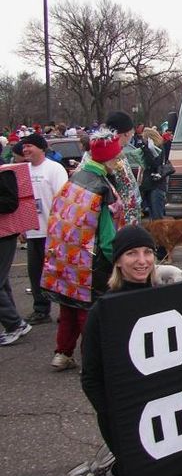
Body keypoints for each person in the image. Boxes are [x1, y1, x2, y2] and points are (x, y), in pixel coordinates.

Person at [54, 225, 182, 476]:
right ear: (118, 261)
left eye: (147, 252)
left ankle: (122, 466)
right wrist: (118, 422)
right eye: (131, 253)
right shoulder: (103, 311)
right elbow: (91, 377)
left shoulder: (166, 301)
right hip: (126, 419)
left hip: (166, 412)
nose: (142, 260)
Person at [41, 129, 127, 369]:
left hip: (65, 255)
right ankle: (93, 360)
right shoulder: (102, 188)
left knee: (68, 307)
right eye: (117, 158)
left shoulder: (75, 179)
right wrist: (118, 260)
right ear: (109, 159)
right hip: (90, 261)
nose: (119, 162)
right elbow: (108, 236)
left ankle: (62, 353)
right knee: (89, 314)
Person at [16, 133, 67, 325]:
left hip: (52, 231)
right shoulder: (23, 171)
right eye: (24, 146)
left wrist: (60, 227)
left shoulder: (54, 169)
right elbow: (20, 201)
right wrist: (22, 226)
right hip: (32, 231)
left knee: (59, 273)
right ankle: (41, 309)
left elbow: (62, 199)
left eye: (30, 146)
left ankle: (66, 310)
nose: (26, 149)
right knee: (35, 272)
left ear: (41, 148)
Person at [0, 166, 32, 346]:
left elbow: (10, 203)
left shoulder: (5, 171)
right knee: (3, 282)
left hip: (5, 234)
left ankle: (14, 323)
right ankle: (13, 322)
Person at [138, 127, 167, 220]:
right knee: (153, 216)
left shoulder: (158, 148)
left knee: (157, 217)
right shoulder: (150, 148)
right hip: (150, 185)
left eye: (144, 138)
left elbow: (155, 164)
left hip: (156, 185)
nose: (143, 140)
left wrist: (149, 151)